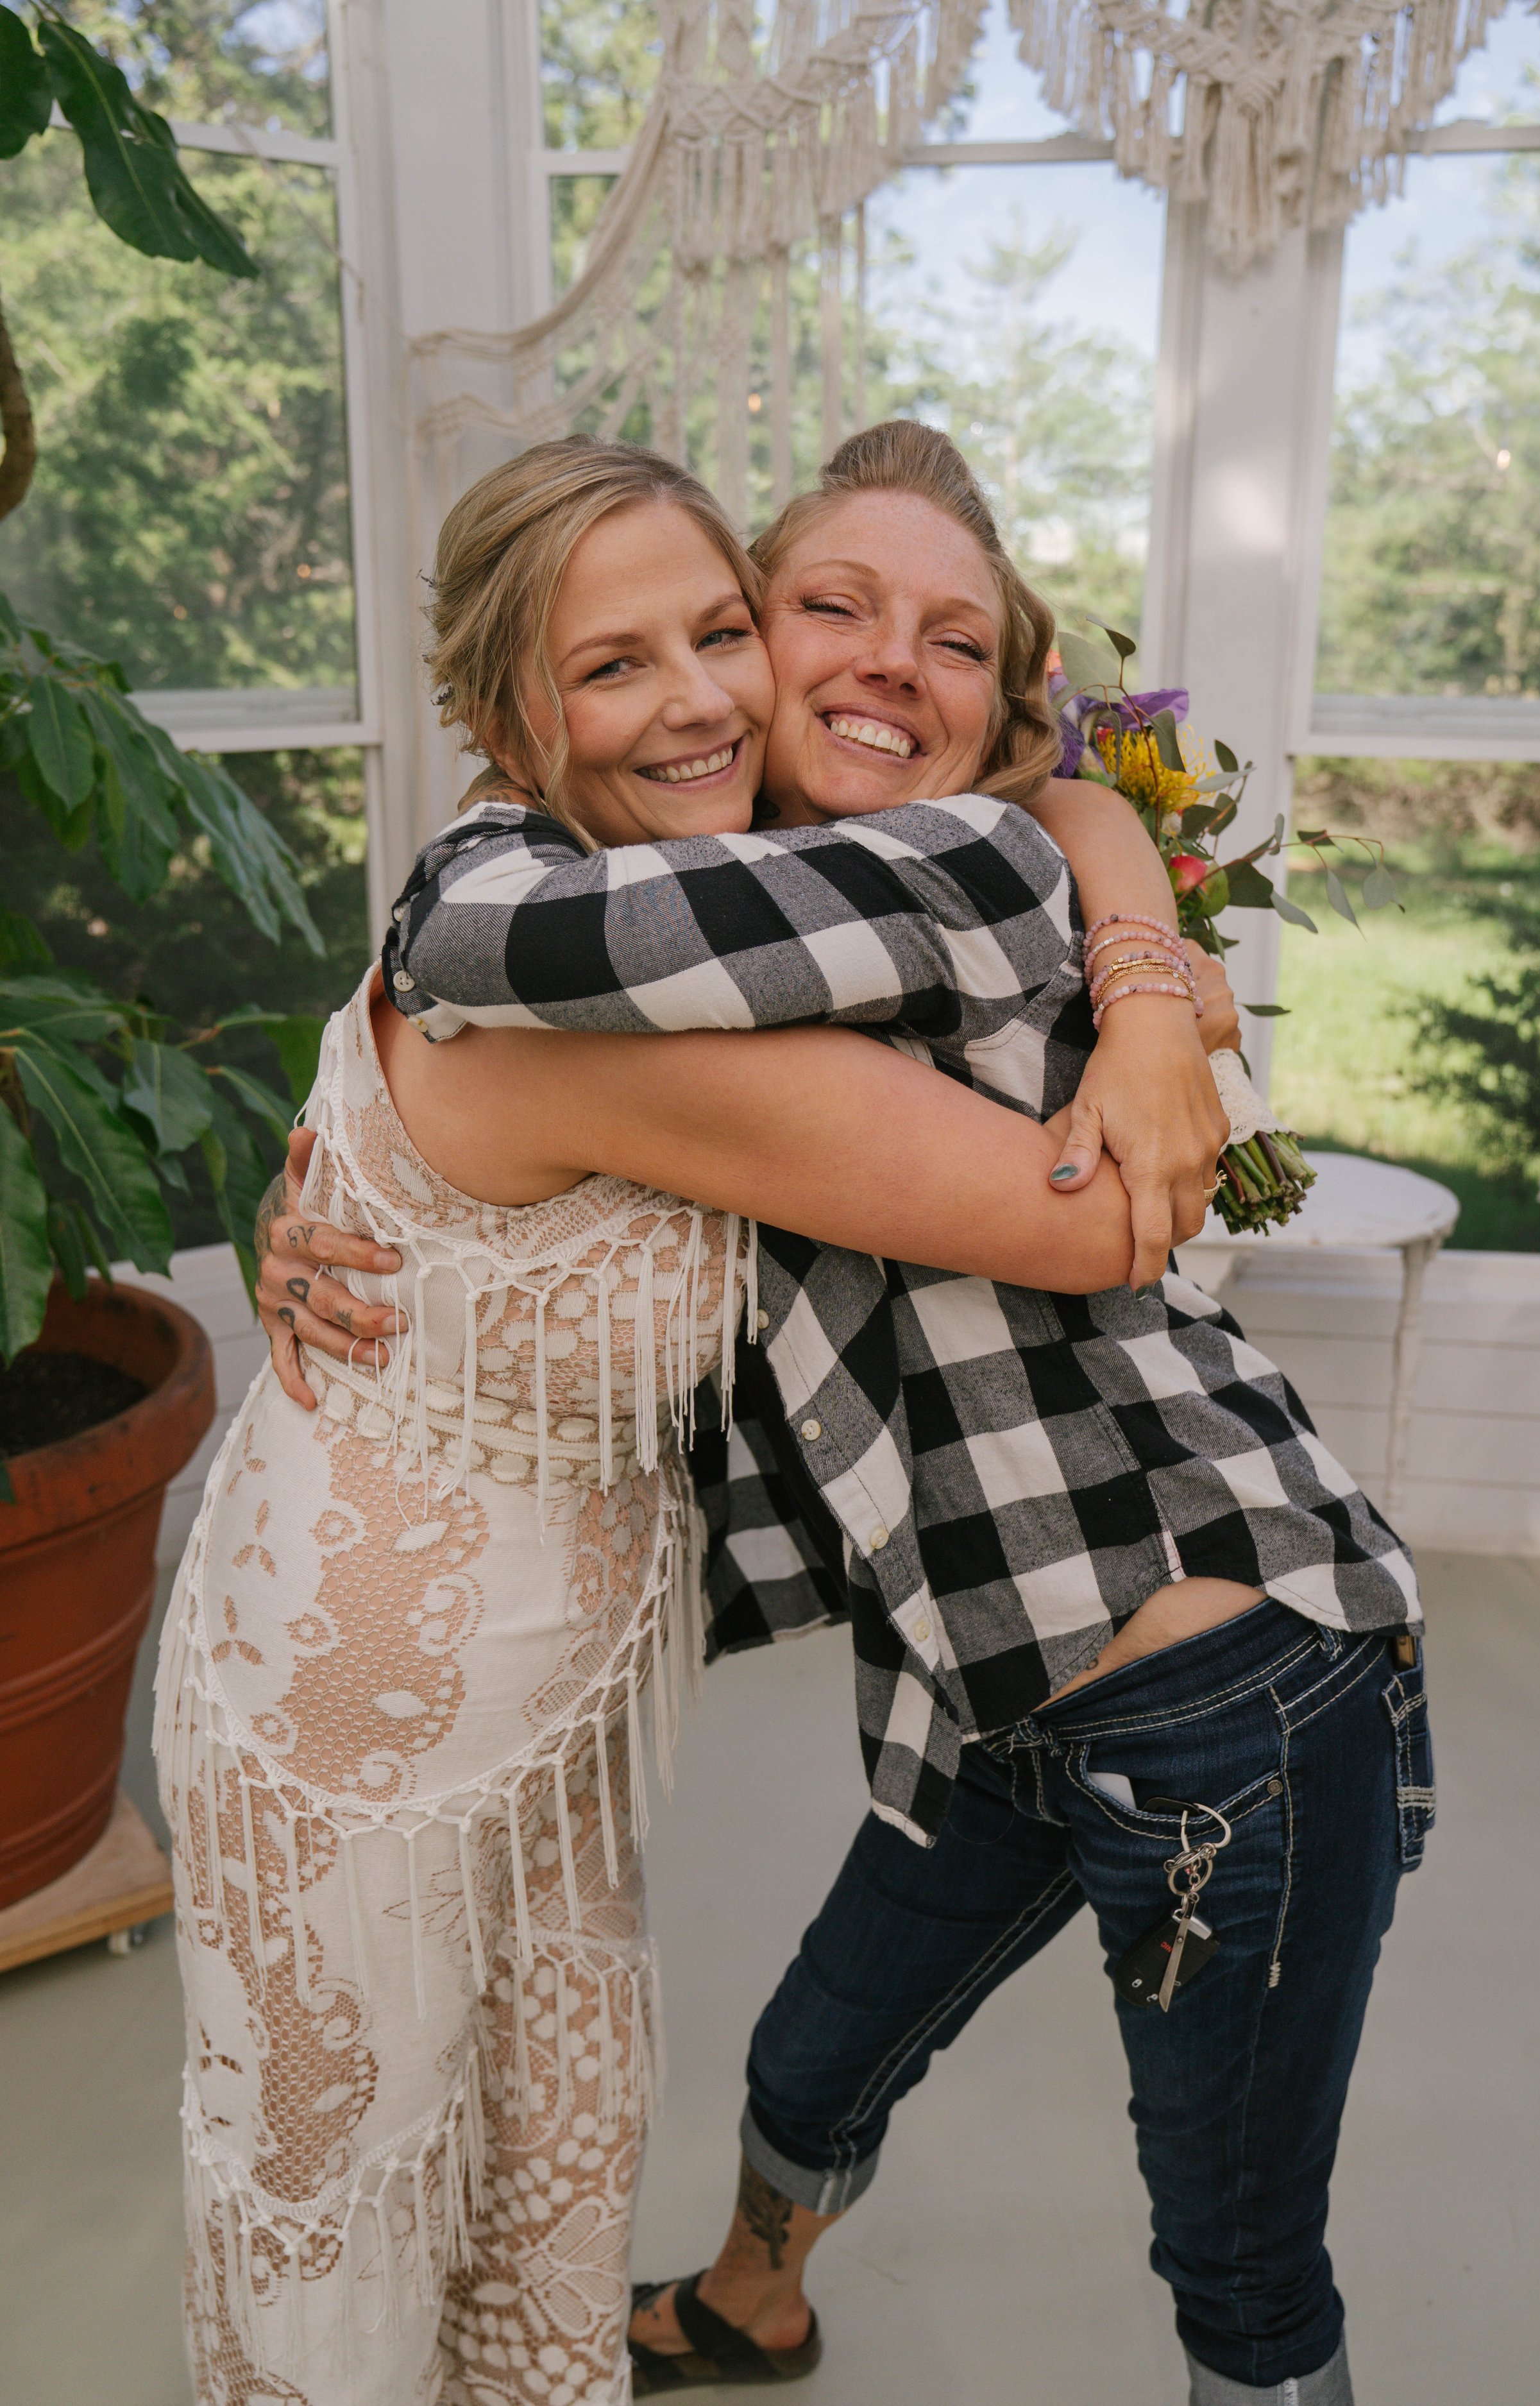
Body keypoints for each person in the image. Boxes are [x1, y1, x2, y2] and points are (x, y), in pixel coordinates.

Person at [259, 425, 1429, 2406]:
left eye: (954, 640)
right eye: (829, 609)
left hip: (1222, 1689)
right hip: (972, 1677)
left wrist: (1126, 951)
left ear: (999, 723)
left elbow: (467, 936)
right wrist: (340, 1191)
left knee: (1231, 2249)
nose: (893, 659)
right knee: (814, 2056)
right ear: (739, 648)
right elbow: (516, 1051)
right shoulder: (725, 904)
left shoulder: (951, 865)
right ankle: (752, 2300)